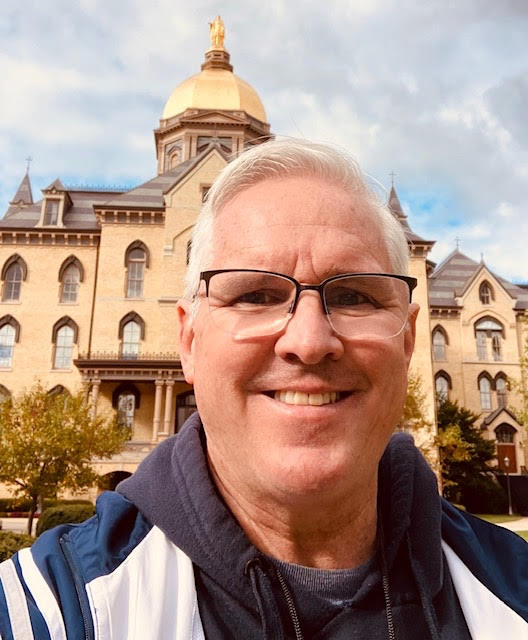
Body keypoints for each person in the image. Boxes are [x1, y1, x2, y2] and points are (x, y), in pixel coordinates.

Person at [0, 139, 527, 639]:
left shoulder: (512, 592)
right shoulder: (55, 609)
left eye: (355, 297)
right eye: (254, 293)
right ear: (188, 340)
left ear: (408, 337)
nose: (309, 341)